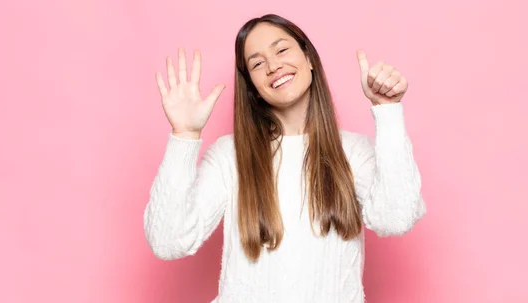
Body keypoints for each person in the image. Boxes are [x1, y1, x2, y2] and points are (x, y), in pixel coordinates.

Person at [143, 13, 426, 303]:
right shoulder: (230, 157)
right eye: (257, 63)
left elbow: (397, 218)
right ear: (251, 85)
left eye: (281, 50)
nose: (273, 66)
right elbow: (167, 241)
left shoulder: (353, 153)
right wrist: (185, 134)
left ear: (309, 58)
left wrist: (388, 111)